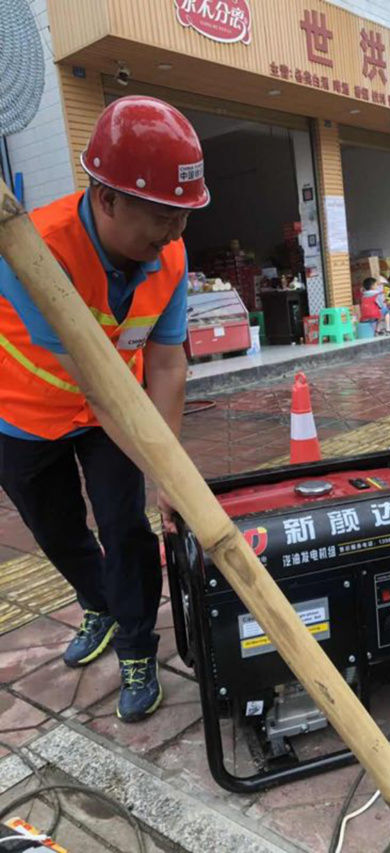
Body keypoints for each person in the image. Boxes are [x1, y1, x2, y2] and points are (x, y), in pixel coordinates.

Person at [0, 96, 210, 720]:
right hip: (24, 412)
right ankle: (102, 607)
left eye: (183, 218)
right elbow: (90, 378)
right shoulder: (33, 249)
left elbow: (169, 363)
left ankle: (139, 648)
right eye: (162, 217)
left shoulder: (169, 252)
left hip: (106, 415)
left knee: (125, 526)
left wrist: (168, 468)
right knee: (58, 531)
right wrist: (168, 473)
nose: (173, 234)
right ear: (106, 197)